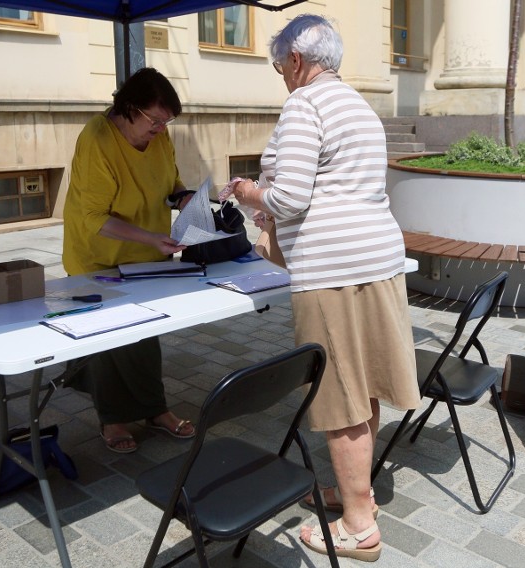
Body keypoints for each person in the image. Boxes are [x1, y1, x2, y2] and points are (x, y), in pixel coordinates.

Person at [228, 14, 420, 562]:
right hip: (379, 259)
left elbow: (288, 198)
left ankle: (358, 526)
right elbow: (331, 187)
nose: (280, 78)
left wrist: (245, 189)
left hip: (333, 270)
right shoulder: (359, 105)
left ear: (294, 60)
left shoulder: (304, 105)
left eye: (277, 67)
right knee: (367, 387)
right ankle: (357, 495)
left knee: (339, 396)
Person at [62, 67, 196, 454]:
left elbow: (170, 180)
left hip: (147, 253)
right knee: (109, 338)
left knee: (144, 334)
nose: (160, 129)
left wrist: (183, 196)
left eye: (166, 122)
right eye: (154, 120)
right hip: (98, 255)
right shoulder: (97, 139)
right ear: (129, 108)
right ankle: (113, 418)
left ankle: (155, 410)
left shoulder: (160, 133)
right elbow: (94, 217)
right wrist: (151, 238)